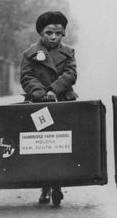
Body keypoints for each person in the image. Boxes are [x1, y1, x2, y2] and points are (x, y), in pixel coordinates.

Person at [20, 11, 78, 206]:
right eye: (49, 32)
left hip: (62, 103)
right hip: (38, 104)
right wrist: (41, 93)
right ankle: (45, 185)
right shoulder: (30, 53)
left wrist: (54, 90)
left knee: (61, 144)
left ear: (63, 34)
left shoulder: (68, 52)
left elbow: (71, 74)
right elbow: (26, 77)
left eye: (58, 33)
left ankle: (57, 185)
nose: (53, 37)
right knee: (42, 145)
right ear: (40, 33)